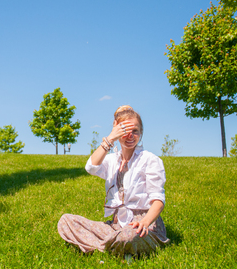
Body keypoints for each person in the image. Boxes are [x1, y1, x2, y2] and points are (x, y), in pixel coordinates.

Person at [57, 105, 170, 257]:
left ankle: (108, 247)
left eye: (135, 131)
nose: (130, 135)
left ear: (141, 133)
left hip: (142, 226)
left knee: (128, 236)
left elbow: (158, 201)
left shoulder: (150, 160)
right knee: (66, 221)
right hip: (116, 225)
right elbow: (90, 167)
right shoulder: (111, 160)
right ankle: (118, 248)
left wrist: (145, 222)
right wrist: (110, 139)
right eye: (125, 131)